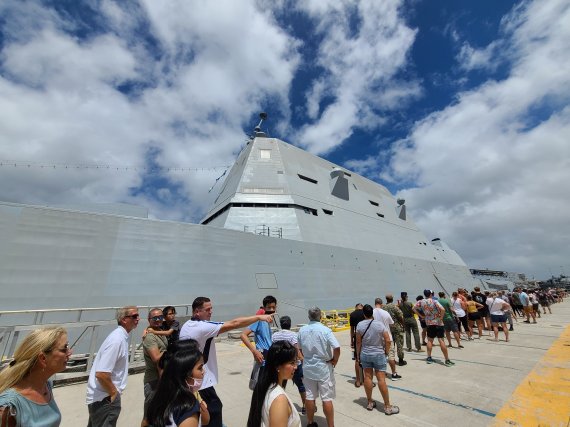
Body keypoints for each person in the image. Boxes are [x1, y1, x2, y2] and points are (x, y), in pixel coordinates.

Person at [179, 297, 273, 427]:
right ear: (197, 312)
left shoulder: (188, 325)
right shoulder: (202, 327)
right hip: (201, 381)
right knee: (214, 409)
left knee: (204, 411)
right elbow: (233, 323)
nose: (211, 312)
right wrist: (258, 318)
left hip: (191, 379)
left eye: (211, 308)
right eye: (207, 309)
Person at [0, 327, 71, 427]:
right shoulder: (9, 406)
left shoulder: (47, 385)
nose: (70, 352)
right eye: (65, 348)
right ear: (43, 358)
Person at [86, 306, 139, 427]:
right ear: (124, 319)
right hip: (105, 399)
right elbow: (101, 374)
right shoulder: (117, 340)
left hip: (102, 398)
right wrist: (114, 394)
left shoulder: (120, 337)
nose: (138, 319)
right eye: (134, 316)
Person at [298, 307, 340, 427]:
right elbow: (336, 347)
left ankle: (310, 423)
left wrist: (303, 359)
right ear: (320, 316)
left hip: (308, 367)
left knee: (310, 396)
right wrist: (334, 361)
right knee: (326, 398)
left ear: (308, 316)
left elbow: (298, 348)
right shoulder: (325, 330)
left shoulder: (302, 330)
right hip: (324, 367)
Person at [146, 346, 209, 427]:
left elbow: (145, 422)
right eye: (200, 368)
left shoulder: (159, 397)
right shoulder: (188, 408)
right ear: (186, 374)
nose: (203, 371)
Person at [355, 304, 399, 415]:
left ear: (364, 314)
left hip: (365, 354)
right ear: (372, 314)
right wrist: (386, 352)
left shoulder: (359, 325)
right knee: (381, 379)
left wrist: (358, 355)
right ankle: (387, 406)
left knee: (367, 377)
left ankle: (369, 402)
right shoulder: (379, 324)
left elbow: (358, 342)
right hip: (379, 353)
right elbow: (388, 340)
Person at [247, 341, 301, 427]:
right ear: (277, 366)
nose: (296, 367)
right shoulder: (279, 399)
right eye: (292, 363)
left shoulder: (266, 386)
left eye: (296, 362)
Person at [272, 316, 306, 414]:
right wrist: (302, 360)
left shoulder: (275, 335)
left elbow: (273, 349)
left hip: (280, 364)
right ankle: (304, 406)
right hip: (293, 365)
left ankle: (280, 404)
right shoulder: (293, 335)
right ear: (290, 324)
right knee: (301, 385)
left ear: (281, 324)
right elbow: (296, 348)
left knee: (280, 385)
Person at [241, 296, 277, 389]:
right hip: (262, 359)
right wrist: (254, 351)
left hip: (269, 358)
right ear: (264, 308)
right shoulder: (259, 320)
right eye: (269, 307)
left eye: (273, 307)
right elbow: (243, 335)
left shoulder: (268, 321)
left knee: (268, 388)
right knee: (259, 388)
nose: (272, 309)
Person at [141, 308, 169, 427]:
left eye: (161, 317)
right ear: (149, 320)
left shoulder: (158, 331)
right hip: (154, 381)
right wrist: (171, 350)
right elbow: (156, 358)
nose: (158, 320)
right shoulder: (150, 337)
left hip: (162, 378)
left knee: (160, 414)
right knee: (149, 416)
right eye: (155, 318)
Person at [413, 290, 454, 366]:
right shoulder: (434, 301)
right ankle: (447, 359)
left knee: (430, 340)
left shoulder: (421, 302)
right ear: (431, 294)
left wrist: (422, 316)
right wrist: (441, 318)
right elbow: (443, 309)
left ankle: (429, 357)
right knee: (441, 340)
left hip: (429, 323)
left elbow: (413, 308)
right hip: (438, 323)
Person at [373, 298, 401, 380]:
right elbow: (392, 323)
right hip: (387, 337)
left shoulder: (372, 313)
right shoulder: (385, 313)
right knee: (391, 356)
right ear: (381, 304)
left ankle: (381, 372)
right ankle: (394, 374)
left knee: (379, 356)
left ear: (375, 303)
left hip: (377, 338)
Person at [383, 294, 407, 366]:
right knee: (399, 344)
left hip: (388, 328)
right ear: (392, 299)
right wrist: (403, 325)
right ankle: (400, 360)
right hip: (397, 328)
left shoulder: (383, 307)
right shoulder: (394, 307)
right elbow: (400, 317)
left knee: (390, 344)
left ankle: (391, 359)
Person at [349, 303, 365, 387]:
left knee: (357, 359)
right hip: (365, 338)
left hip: (356, 338)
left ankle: (358, 380)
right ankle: (366, 379)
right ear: (362, 307)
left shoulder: (352, 314)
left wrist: (351, 340)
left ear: (355, 307)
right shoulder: (365, 313)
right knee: (367, 359)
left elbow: (352, 329)